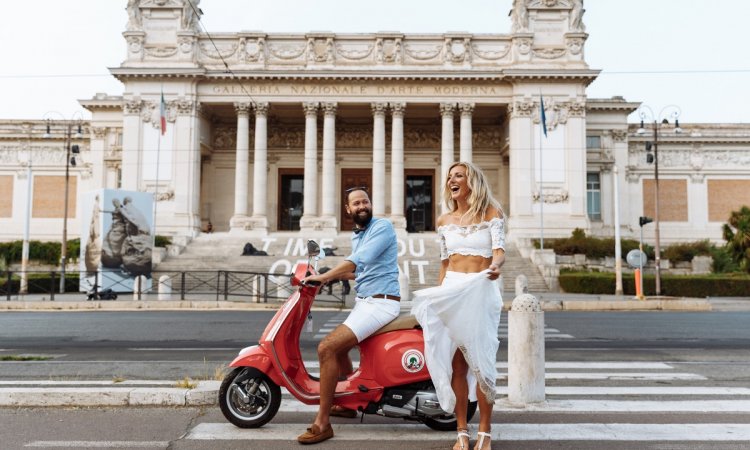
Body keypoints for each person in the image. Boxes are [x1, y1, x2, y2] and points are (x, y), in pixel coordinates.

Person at [411, 162, 505, 450]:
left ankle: (485, 433)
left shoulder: (491, 213)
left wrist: (496, 267)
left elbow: (500, 254)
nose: (452, 180)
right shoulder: (443, 221)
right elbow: (444, 263)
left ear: (471, 181)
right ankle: (462, 431)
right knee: (457, 364)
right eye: (450, 176)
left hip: (480, 289)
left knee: (482, 364)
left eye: (459, 175)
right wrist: (437, 297)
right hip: (452, 290)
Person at [297, 187, 400, 445]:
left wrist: (325, 275)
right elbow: (358, 271)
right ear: (348, 209)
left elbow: (358, 260)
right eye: (356, 203)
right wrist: (318, 276)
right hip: (367, 301)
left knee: (327, 348)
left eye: (365, 201)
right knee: (340, 350)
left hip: (381, 302)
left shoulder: (382, 227)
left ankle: (322, 423)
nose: (362, 205)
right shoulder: (359, 235)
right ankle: (348, 405)